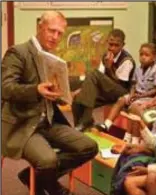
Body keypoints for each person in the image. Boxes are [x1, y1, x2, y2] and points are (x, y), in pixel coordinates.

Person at [1, 11, 98, 195]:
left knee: (89, 147)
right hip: (23, 124)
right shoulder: (18, 52)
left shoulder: (51, 58)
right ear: (40, 27)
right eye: (51, 31)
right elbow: (5, 88)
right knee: (48, 161)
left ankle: (36, 177)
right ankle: (54, 189)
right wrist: (35, 90)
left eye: (60, 33)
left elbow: (50, 92)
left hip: (48, 121)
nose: (55, 37)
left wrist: (64, 96)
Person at [94, 43, 156, 143]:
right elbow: (134, 84)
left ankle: (131, 137)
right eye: (141, 54)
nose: (143, 57)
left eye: (146, 55)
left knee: (134, 107)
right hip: (136, 95)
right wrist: (131, 94)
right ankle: (107, 124)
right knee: (121, 99)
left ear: (154, 57)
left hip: (148, 98)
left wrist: (141, 96)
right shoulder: (138, 69)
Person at [72, 28, 136, 132]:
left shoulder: (127, 60)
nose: (112, 48)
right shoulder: (106, 55)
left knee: (93, 73)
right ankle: (80, 127)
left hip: (121, 92)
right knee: (78, 97)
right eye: (111, 44)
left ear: (122, 45)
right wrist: (83, 89)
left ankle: (86, 120)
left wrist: (109, 68)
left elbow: (121, 84)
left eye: (116, 45)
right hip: (107, 90)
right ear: (107, 42)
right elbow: (98, 79)